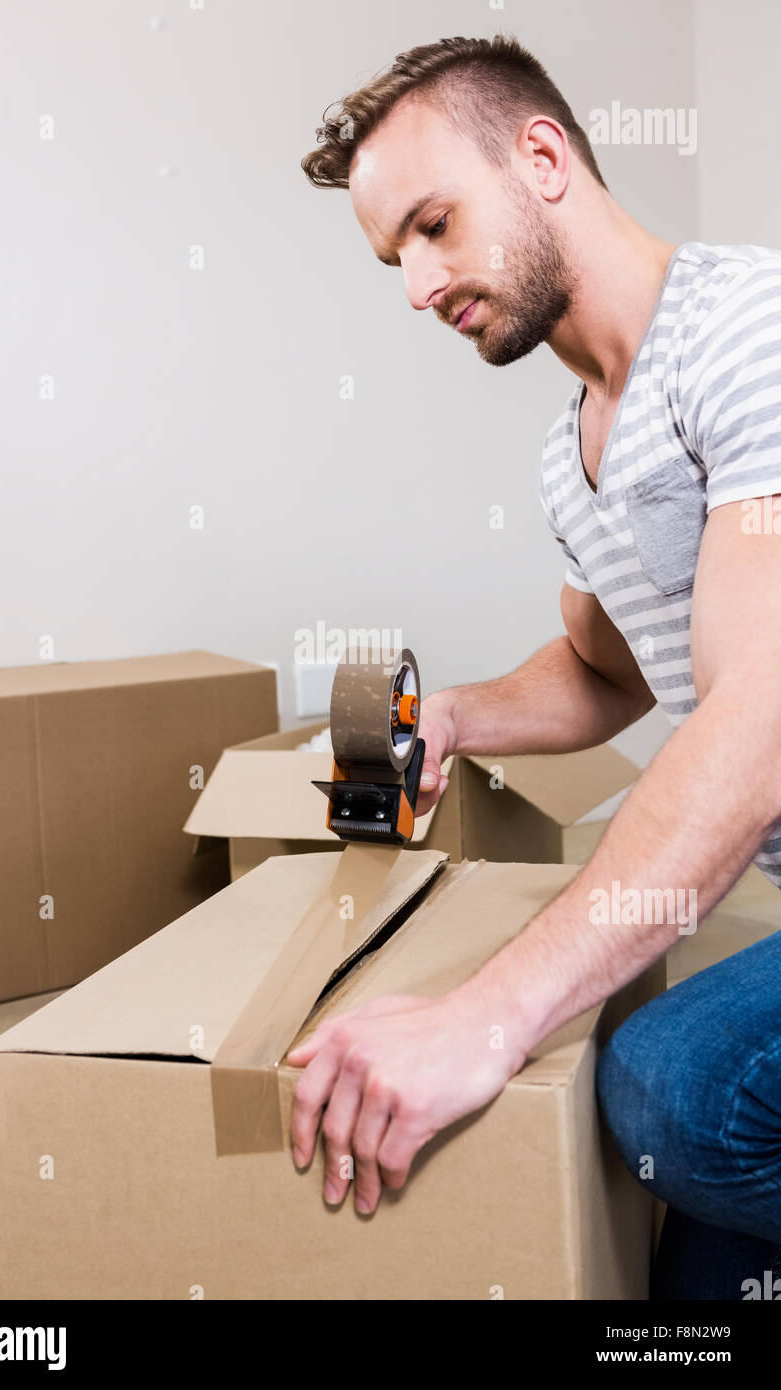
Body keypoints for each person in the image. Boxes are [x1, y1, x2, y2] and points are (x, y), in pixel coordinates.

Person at [288, 33, 781, 1299]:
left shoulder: (746, 331)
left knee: (666, 1091)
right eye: (394, 254)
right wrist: (447, 716)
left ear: (544, 157)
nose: (415, 284)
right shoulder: (571, 454)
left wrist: (487, 1015)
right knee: (689, 1287)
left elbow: (758, 719)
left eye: (434, 224)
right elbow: (599, 672)